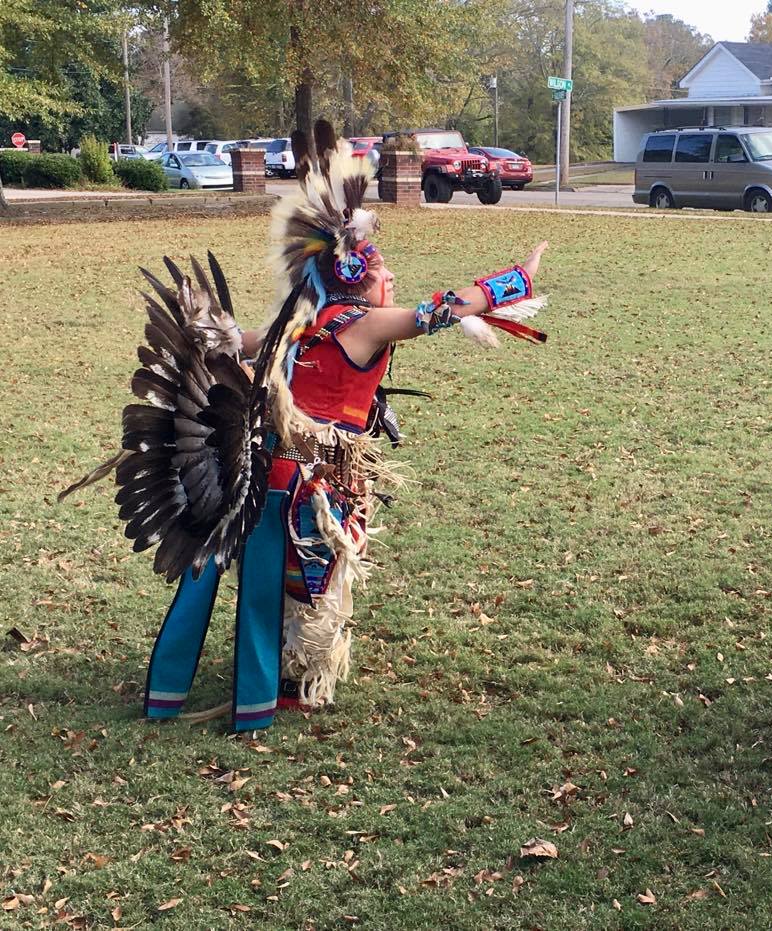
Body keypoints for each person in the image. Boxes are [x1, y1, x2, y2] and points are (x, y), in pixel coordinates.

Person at [75, 120, 550, 732]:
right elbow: (438, 311)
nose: (393, 281)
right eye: (385, 274)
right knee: (304, 585)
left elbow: (238, 341)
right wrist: (519, 278)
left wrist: (209, 330)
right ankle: (275, 696)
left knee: (229, 574)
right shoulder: (359, 323)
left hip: (263, 470)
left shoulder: (304, 322)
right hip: (313, 480)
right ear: (358, 278)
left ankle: (172, 693)